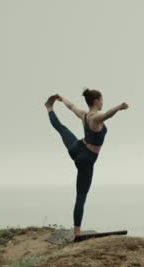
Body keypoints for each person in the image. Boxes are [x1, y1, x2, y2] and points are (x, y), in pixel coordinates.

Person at [45, 88, 129, 240]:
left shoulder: (84, 115)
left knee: (62, 129)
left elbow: (72, 107)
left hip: (77, 148)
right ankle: (77, 233)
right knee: (81, 195)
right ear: (96, 101)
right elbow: (106, 115)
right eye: (102, 99)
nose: (103, 102)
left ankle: (49, 108)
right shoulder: (95, 118)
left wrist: (62, 99)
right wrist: (118, 108)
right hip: (87, 159)